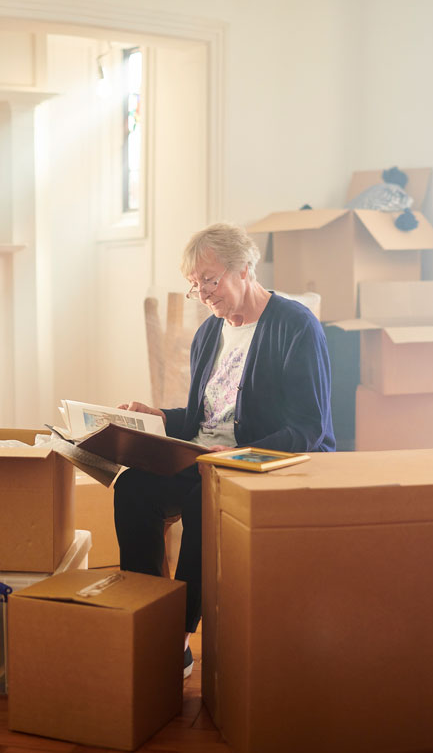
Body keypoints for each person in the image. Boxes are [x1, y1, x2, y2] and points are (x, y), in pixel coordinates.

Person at [114, 222, 335, 678]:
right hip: (205, 457)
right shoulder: (209, 334)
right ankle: (146, 615)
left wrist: (228, 458)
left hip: (269, 461)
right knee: (132, 486)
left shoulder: (295, 326)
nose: (204, 294)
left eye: (210, 280)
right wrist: (156, 416)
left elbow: (309, 428)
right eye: (195, 286)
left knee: (201, 495)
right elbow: (206, 418)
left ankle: (176, 635)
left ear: (245, 269)